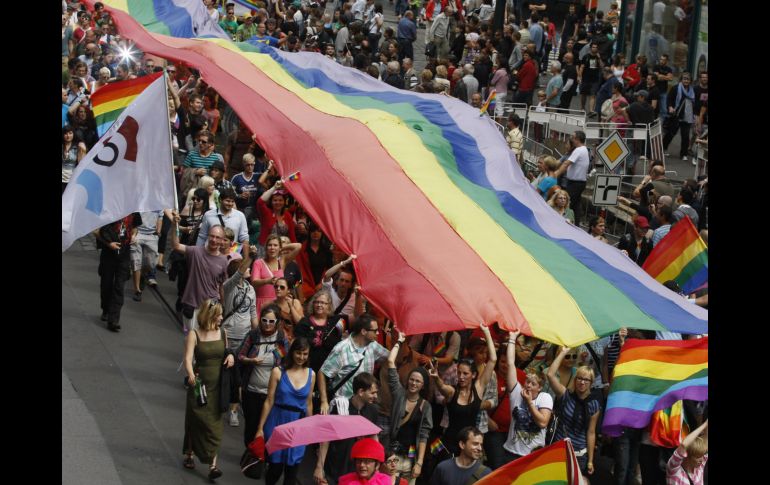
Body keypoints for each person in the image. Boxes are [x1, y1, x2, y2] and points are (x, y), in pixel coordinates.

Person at [182, 299, 235, 481]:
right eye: (219, 314)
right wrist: (190, 374)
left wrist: (230, 357)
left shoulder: (222, 332)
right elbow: (188, 358)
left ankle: (213, 465)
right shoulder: (194, 334)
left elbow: (227, 351)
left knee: (215, 425)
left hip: (218, 386)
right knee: (196, 419)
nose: (221, 317)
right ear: (210, 315)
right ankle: (189, 453)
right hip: (199, 385)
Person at [255, 337, 315, 485]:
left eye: (305, 354)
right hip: (277, 422)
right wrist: (260, 428)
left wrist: (311, 427)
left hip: (298, 425)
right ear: (292, 352)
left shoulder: (311, 374)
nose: (301, 357)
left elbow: (308, 403)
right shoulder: (278, 372)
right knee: (275, 468)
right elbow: (269, 401)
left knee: (292, 471)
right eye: (298, 353)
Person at [429, 324, 497, 455]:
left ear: (474, 375)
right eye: (459, 373)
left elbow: (493, 359)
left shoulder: (479, 387)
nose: (461, 377)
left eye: (465, 374)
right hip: (449, 443)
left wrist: (486, 332)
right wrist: (436, 377)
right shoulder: (453, 392)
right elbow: (442, 387)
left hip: (468, 444)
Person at [314, 372, 382, 484]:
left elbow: (374, 439)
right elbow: (326, 438)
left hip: (356, 469)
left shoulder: (373, 410)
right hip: (335, 466)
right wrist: (319, 467)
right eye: (373, 393)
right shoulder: (341, 406)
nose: (376, 396)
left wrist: (377, 464)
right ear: (361, 392)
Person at [237, 304, 289, 447]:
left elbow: (287, 362)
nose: (267, 324)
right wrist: (250, 360)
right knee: (251, 427)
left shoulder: (281, 338)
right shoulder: (253, 335)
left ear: (277, 322)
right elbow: (239, 355)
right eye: (265, 320)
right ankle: (250, 454)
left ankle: (261, 457)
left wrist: (279, 369)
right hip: (251, 391)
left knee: (266, 427)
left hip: (271, 394)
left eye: (271, 321)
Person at [385, 332, 433, 484]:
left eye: (417, 381)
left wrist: (419, 463)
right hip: (393, 455)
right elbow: (390, 361)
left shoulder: (425, 406)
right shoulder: (399, 394)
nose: (413, 383)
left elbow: (424, 435)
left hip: (411, 457)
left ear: (423, 385)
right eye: (411, 379)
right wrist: (399, 341)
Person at [546, 347, 601, 479]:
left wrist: (590, 460)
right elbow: (550, 375)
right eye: (579, 378)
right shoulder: (565, 395)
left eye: (586, 380)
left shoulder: (594, 405)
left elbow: (591, 432)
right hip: (559, 450)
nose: (582, 382)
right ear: (575, 380)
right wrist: (563, 352)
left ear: (591, 383)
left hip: (580, 454)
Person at [318, 314, 390, 414]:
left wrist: (399, 341)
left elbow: (391, 358)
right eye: (374, 330)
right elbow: (323, 373)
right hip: (344, 406)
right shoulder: (342, 349)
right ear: (364, 331)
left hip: (364, 405)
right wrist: (324, 401)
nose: (377, 333)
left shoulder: (373, 346)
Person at [170, 212, 229, 333]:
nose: (214, 240)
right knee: (191, 339)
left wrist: (222, 306)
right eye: (212, 236)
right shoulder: (195, 251)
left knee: (205, 343)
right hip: (192, 305)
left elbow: (221, 285)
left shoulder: (224, 260)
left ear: (223, 240)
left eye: (217, 237)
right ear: (207, 236)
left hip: (211, 307)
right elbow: (176, 245)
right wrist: (174, 224)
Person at [221, 245, 259, 427]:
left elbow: (253, 314)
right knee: (222, 372)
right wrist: (250, 257)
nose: (249, 270)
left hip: (244, 338)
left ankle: (233, 410)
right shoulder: (228, 286)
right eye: (246, 268)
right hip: (227, 336)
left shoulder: (251, 290)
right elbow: (240, 272)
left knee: (237, 377)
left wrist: (258, 336)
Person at [502, 331, 553, 462]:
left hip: (533, 456)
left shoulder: (544, 397)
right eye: (527, 382)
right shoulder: (517, 392)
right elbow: (510, 364)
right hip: (511, 453)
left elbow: (542, 422)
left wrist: (530, 403)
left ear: (540, 387)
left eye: (533, 383)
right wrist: (513, 338)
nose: (529, 385)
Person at [94, 214, 142, 332]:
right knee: (106, 285)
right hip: (108, 255)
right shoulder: (108, 209)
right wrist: (108, 244)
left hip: (124, 255)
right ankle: (106, 309)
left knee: (119, 287)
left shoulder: (133, 211)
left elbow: (135, 227)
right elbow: (96, 231)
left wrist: (134, 236)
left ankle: (113, 320)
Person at [250, 234, 302, 315]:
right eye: (269, 245)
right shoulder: (258, 262)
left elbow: (298, 246)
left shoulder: (282, 261)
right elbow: (254, 282)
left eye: (275, 245)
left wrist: (281, 248)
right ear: (266, 248)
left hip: (278, 303)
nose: (272, 248)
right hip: (262, 302)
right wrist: (267, 281)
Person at [554, 130, 590, 227]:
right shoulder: (584, 149)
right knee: (576, 206)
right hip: (578, 183)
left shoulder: (578, 150)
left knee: (565, 203)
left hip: (575, 183)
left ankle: (563, 225)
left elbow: (566, 163)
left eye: (573, 137)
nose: (571, 139)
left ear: (577, 139)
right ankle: (576, 225)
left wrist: (556, 173)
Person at [129, 211, 163, 302]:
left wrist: (158, 233)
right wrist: (133, 234)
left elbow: (160, 217)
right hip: (137, 233)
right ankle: (137, 290)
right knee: (136, 262)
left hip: (151, 235)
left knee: (152, 263)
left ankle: (142, 276)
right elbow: (133, 215)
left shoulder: (158, 200)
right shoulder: (139, 198)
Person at [663, 73, 695, 161]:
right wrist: (670, 107)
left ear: (690, 81)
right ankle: (664, 148)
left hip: (687, 116)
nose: (686, 81)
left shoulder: (692, 90)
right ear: (681, 80)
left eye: (688, 79)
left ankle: (684, 154)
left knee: (685, 136)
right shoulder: (676, 88)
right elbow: (669, 98)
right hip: (676, 114)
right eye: (684, 79)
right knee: (671, 133)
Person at [257, 177, 297, 249]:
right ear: (271, 202)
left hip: (282, 250)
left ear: (284, 202)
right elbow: (260, 202)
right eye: (275, 200)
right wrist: (274, 188)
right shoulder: (266, 212)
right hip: (266, 249)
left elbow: (292, 236)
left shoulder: (287, 215)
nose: (278, 202)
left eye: (280, 200)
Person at [666, 419, 708, 485]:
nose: (702, 459)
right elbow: (683, 445)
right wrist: (704, 425)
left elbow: (706, 439)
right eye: (698, 457)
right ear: (687, 455)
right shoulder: (674, 469)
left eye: (702, 455)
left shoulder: (699, 467)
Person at [62, 124, 87, 194]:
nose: (68, 136)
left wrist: (83, 151)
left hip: (71, 180)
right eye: (66, 133)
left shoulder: (78, 146)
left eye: (70, 133)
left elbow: (81, 163)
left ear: (73, 134)